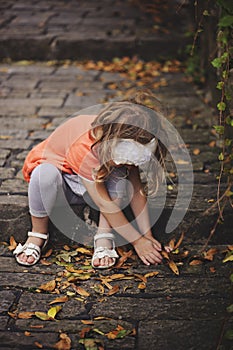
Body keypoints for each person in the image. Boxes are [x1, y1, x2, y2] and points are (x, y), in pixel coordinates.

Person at [13, 90, 171, 268]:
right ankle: (38, 233)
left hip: (94, 184)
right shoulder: (85, 148)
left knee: (121, 176)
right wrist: (137, 242)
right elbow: (104, 203)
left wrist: (147, 235)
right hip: (61, 186)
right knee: (44, 174)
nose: (130, 165)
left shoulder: (126, 132)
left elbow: (135, 189)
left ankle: (104, 236)